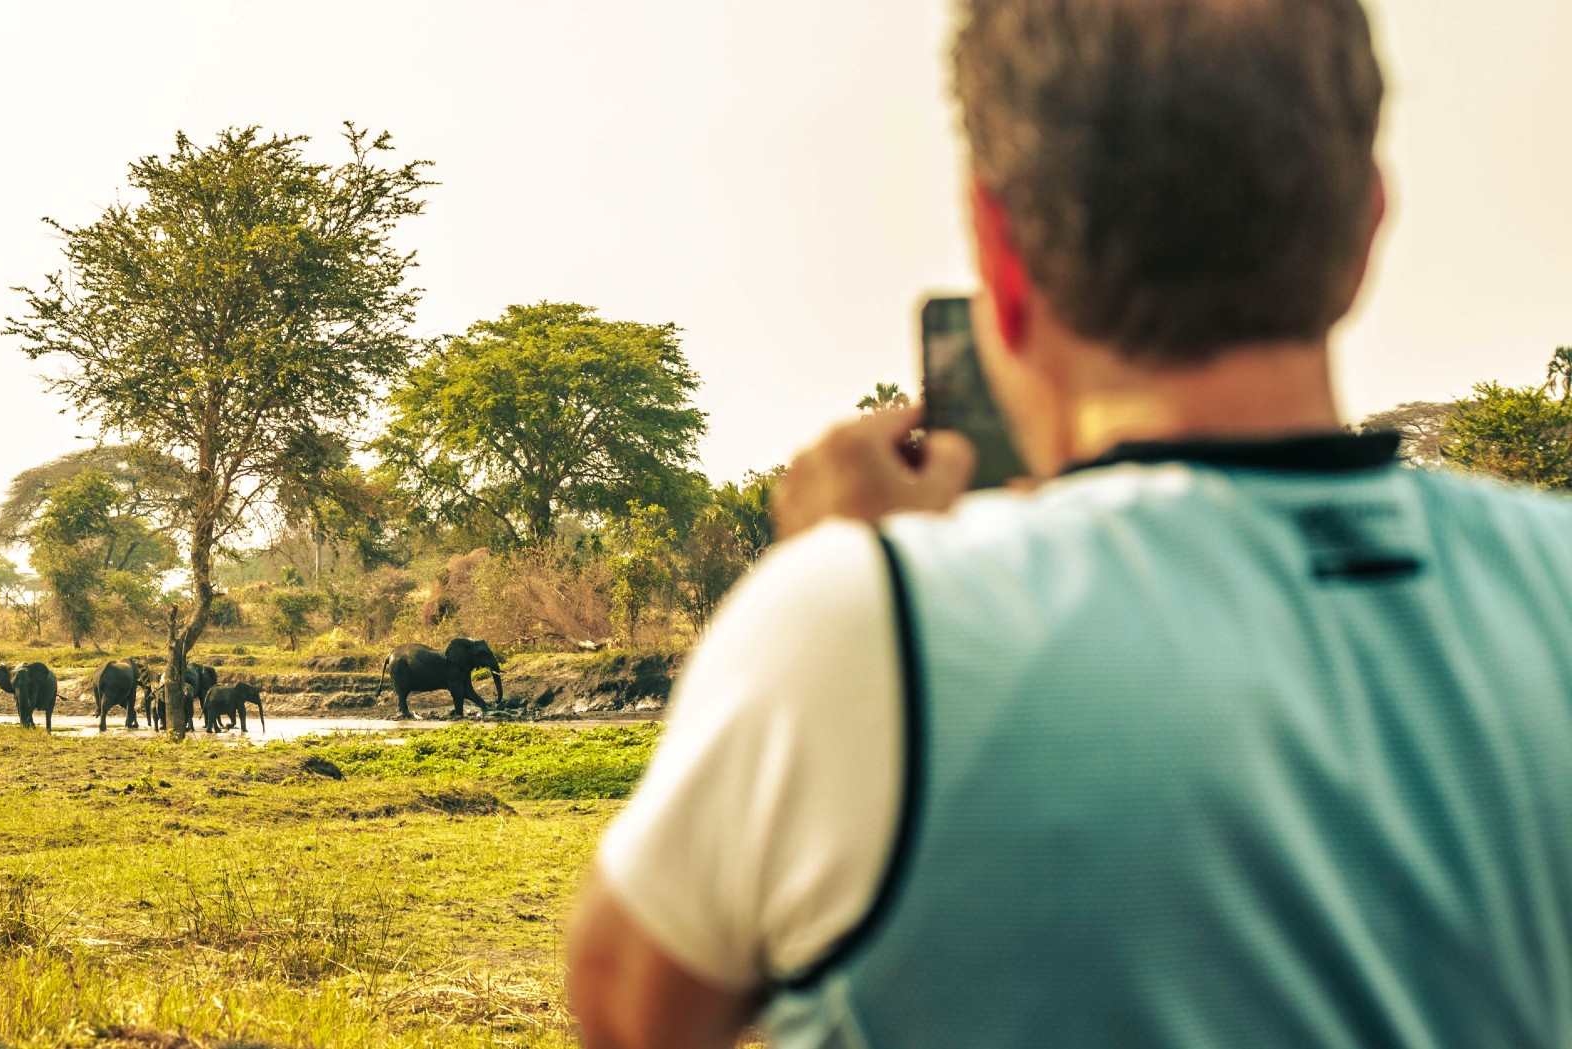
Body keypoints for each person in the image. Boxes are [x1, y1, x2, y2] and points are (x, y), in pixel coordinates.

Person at [565, 1, 1572, 1046]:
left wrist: (840, 563)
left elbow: (625, 1013)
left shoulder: (873, 620)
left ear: (1001, 259)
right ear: (1365, 228)